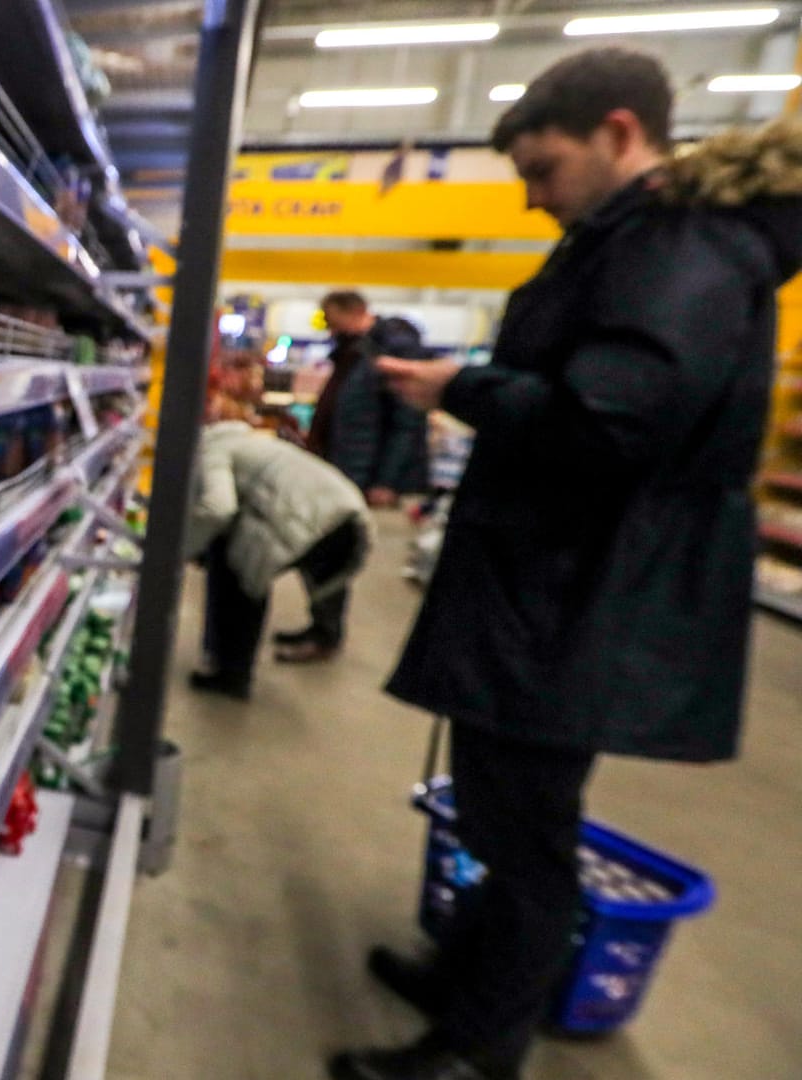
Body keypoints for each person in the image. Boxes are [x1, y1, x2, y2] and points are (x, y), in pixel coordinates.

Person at [329, 48, 802, 1080]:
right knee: (500, 816)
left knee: (528, 838)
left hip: (577, 598)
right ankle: (468, 982)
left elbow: (609, 419)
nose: (535, 199)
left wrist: (462, 388)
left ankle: (477, 1049)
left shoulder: (678, 249)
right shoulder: (636, 242)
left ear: (620, 134)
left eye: (544, 170)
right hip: (552, 588)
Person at [275, 291, 430, 662]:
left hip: (355, 472)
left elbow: (406, 420)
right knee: (321, 548)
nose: (327, 327)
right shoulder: (352, 350)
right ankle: (320, 625)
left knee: (333, 549)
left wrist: (386, 481)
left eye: (330, 319)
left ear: (354, 312)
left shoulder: (388, 352)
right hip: (337, 464)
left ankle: (325, 635)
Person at [183, 417, 370, 700]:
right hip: (345, 511)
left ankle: (232, 676)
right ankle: (314, 638)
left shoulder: (211, 450)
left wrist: (182, 551)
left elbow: (217, 508)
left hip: (311, 516)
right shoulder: (251, 440)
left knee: (239, 574)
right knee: (248, 567)